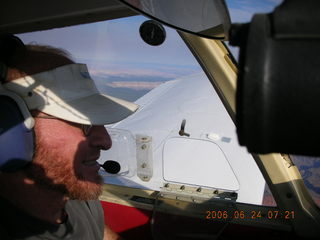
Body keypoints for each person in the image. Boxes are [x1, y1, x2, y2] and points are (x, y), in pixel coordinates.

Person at [0, 39, 138, 239]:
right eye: (83, 123)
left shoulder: (70, 190)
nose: (106, 141)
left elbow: (99, 233)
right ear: (10, 123)